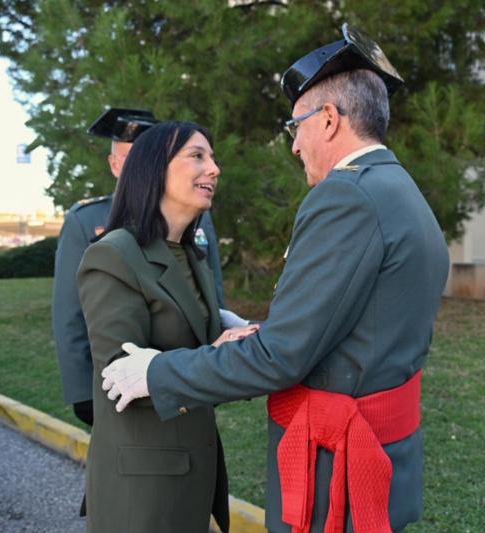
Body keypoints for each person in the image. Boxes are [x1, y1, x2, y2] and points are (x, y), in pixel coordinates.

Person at [100, 24, 450, 533]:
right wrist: (257, 325)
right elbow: (361, 324)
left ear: (328, 119)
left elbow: (283, 358)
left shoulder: (345, 196)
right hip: (381, 451)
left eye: (296, 127)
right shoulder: (398, 188)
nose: (295, 146)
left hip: (337, 473)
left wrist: (157, 374)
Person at [76, 121, 258, 533]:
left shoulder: (192, 256)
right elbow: (117, 376)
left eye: (212, 157)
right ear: (155, 168)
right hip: (143, 487)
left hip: (190, 469)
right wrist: (221, 353)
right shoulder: (113, 256)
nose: (214, 168)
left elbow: (201, 343)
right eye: (197, 156)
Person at [52, 107, 228, 427]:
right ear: (117, 164)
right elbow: (70, 313)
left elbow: (209, 291)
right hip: (136, 395)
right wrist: (81, 390)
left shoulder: (194, 219)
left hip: (189, 389)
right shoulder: (89, 221)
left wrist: (219, 344)